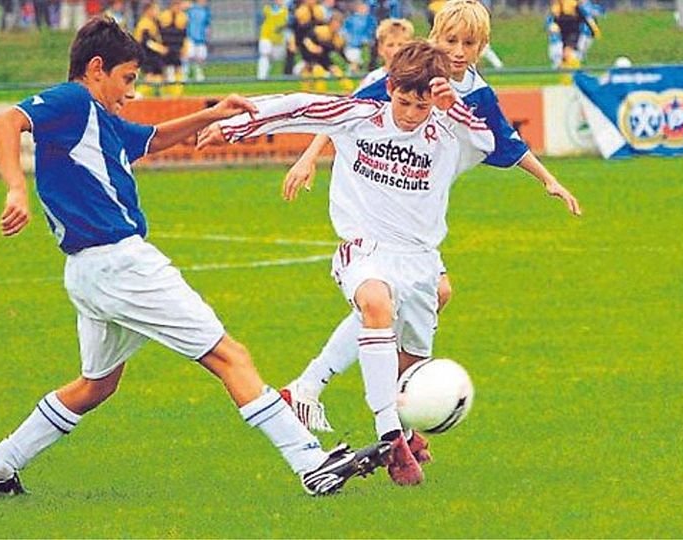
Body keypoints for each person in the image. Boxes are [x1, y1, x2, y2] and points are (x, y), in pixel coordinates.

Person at [0, 17, 389, 498]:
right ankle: (312, 463)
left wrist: (210, 114)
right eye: (128, 79)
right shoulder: (76, 100)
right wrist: (16, 189)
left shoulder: (98, 119)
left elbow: (150, 138)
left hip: (90, 272)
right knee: (229, 355)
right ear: (96, 69)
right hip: (120, 264)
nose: (132, 92)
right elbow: (5, 121)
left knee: (96, 386)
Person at [277, 0, 582, 445]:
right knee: (384, 305)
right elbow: (341, 115)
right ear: (433, 38)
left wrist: (549, 180)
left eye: (469, 43)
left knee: (431, 295)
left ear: (483, 48)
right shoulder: (401, 82)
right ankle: (369, 414)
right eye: (450, 41)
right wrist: (308, 158)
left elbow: (507, 142)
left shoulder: (476, 94)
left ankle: (326, 393)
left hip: (418, 212)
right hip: (378, 209)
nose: (458, 51)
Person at [199, 39, 496, 486]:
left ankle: (408, 430)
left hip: (420, 260)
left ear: (435, 97)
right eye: (403, 100)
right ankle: (390, 437)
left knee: (411, 361)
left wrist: (455, 110)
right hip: (365, 247)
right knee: (375, 303)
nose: (411, 113)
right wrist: (238, 126)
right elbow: (300, 108)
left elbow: (490, 143)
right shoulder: (361, 118)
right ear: (390, 87)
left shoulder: (449, 132)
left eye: (422, 104)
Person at [357, 17, 413, 91]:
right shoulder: (373, 79)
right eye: (390, 45)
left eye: (401, 45)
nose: (396, 50)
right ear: (380, 49)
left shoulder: (415, 78)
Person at [550, 0, 599, 68]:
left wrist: (593, 29)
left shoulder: (571, 3)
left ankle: (570, 67)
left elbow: (583, 17)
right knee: (565, 50)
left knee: (568, 50)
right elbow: (555, 18)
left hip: (573, 31)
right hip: (564, 31)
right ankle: (568, 66)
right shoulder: (557, 6)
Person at [134, 1, 166, 94]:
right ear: (148, 10)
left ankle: (157, 94)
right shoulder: (144, 23)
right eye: (155, 9)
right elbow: (147, 42)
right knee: (150, 75)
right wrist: (160, 48)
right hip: (147, 54)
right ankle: (139, 94)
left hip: (153, 55)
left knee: (158, 75)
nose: (157, 11)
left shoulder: (153, 22)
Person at [157, 0, 188, 94]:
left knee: (178, 70)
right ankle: (166, 92)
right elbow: (159, 33)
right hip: (167, 48)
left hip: (177, 48)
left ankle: (177, 93)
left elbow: (184, 34)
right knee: (167, 71)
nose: (178, 7)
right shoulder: (163, 16)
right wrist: (161, 47)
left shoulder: (183, 17)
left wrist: (184, 48)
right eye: (176, 4)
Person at [257, 0, 289, 79]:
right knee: (265, 55)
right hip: (266, 36)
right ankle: (261, 77)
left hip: (279, 40)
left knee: (280, 57)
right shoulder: (267, 9)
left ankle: (289, 74)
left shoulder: (287, 11)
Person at [342, 1, 375, 74]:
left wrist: (368, 41)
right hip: (352, 46)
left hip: (366, 47)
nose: (364, 9)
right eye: (362, 7)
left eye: (366, 7)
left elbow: (372, 31)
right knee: (353, 62)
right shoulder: (350, 19)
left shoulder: (370, 20)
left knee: (364, 64)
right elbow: (344, 30)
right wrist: (348, 39)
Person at [185, 0, 210, 81]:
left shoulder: (206, 11)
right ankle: (185, 73)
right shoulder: (190, 9)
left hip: (201, 38)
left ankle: (198, 73)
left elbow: (207, 24)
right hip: (190, 37)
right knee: (188, 55)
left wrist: (206, 34)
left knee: (201, 56)